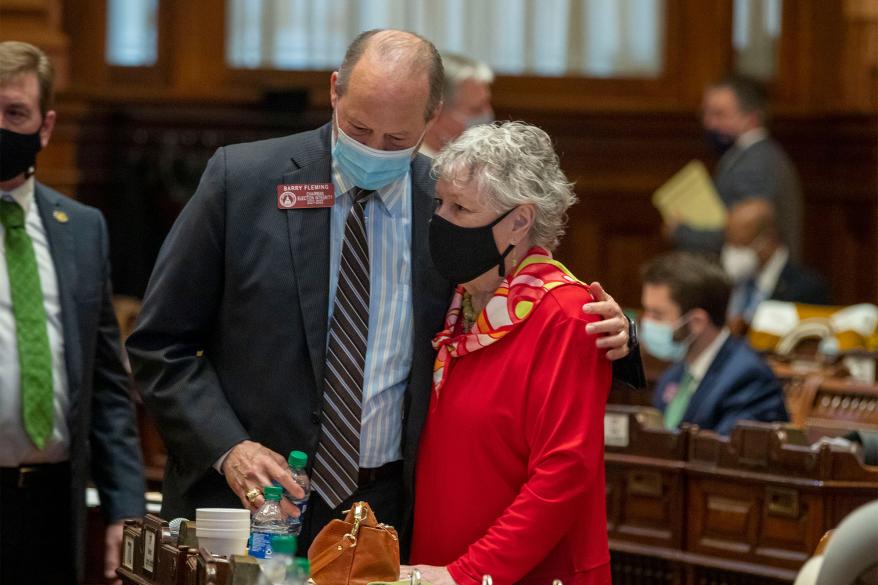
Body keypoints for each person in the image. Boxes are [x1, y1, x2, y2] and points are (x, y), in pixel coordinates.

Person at [126, 29, 641, 551]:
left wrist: (622, 335)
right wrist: (228, 447)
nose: (373, 150)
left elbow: (531, 299)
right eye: (358, 128)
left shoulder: (447, 201)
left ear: (432, 116)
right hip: (247, 503)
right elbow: (160, 344)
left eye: (396, 140)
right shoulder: (243, 181)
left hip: (388, 508)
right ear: (334, 90)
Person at [403, 122, 611, 585]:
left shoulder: (566, 314)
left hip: (517, 573)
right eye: (441, 203)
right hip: (438, 567)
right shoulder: (461, 300)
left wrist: (469, 574)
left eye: (461, 208)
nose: (441, 220)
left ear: (520, 221)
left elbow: (563, 474)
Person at [0, 41, 145, 584]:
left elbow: (107, 383)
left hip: (53, 503)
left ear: (45, 125)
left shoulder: (83, 228)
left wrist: (125, 510)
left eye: (15, 113)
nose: (1, 125)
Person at [640, 252, 788, 435]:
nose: (646, 322)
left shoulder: (748, 378)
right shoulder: (675, 373)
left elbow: (727, 456)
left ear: (697, 322)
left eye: (657, 315)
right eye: (646, 311)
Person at [670, 75, 803, 259]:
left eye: (719, 114)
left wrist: (680, 231)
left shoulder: (756, 162)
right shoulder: (746, 155)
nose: (709, 123)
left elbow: (744, 233)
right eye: (706, 113)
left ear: (752, 118)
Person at [723, 198, 829, 328]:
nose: (732, 253)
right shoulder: (730, 282)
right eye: (729, 244)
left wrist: (748, 329)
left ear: (767, 238)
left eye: (740, 245)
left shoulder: (807, 288)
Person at [419, 52, 494, 158]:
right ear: (435, 113)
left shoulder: (482, 159)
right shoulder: (413, 170)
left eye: (487, 104)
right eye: (476, 109)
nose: (488, 113)